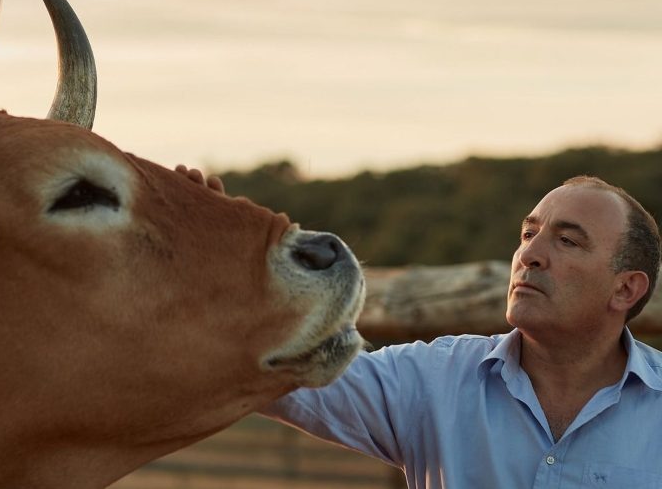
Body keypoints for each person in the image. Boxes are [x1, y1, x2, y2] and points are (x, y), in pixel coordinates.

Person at [176, 166, 662, 488]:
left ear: (626, 290)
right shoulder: (437, 378)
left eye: (569, 242)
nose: (530, 255)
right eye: (528, 233)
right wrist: (213, 259)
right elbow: (280, 372)